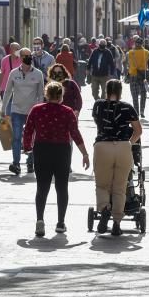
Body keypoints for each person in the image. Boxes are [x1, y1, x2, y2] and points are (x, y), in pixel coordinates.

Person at [23, 81, 90, 237]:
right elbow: (75, 133)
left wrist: (27, 147)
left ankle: (40, 220)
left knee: (42, 187)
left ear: (46, 94)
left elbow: (29, 129)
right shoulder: (67, 112)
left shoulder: (37, 109)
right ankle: (60, 222)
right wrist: (85, 154)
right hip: (62, 150)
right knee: (61, 187)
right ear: (61, 96)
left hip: (42, 149)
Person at [91, 79, 143, 237]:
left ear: (106, 90)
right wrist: (128, 143)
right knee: (120, 187)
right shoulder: (127, 107)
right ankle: (117, 223)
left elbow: (98, 123)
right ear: (121, 91)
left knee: (102, 185)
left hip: (102, 147)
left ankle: (105, 208)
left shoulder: (98, 105)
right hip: (122, 147)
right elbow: (138, 131)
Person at [1, 47, 45, 175]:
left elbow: (41, 94)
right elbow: (8, 91)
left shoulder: (38, 74)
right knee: (16, 137)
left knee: (31, 137)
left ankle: (30, 161)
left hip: (32, 111)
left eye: (29, 55)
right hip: (17, 110)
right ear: (20, 58)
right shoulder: (14, 73)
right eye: (24, 55)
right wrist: (4, 108)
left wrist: (40, 109)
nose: (27, 57)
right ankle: (16, 163)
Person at [127, 37, 149, 118]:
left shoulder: (130, 52)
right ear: (142, 44)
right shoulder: (146, 52)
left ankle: (136, 111)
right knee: (143, 93)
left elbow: (129, 63)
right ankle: (142, 110)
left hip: (133, 74)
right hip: (143, 74)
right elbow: (146, 60)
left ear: (135, 43)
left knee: (134, 94)